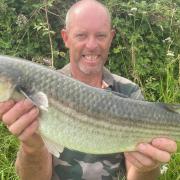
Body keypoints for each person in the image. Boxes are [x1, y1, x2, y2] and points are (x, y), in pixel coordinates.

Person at [0, 0, 177, 179]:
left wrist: (147, 167)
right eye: (81, 35)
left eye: (100, 35)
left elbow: (137, 175)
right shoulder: (41, 89)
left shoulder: (129, 93)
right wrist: (32, 148)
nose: (91, 45)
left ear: (111, 37)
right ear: (66, 38)